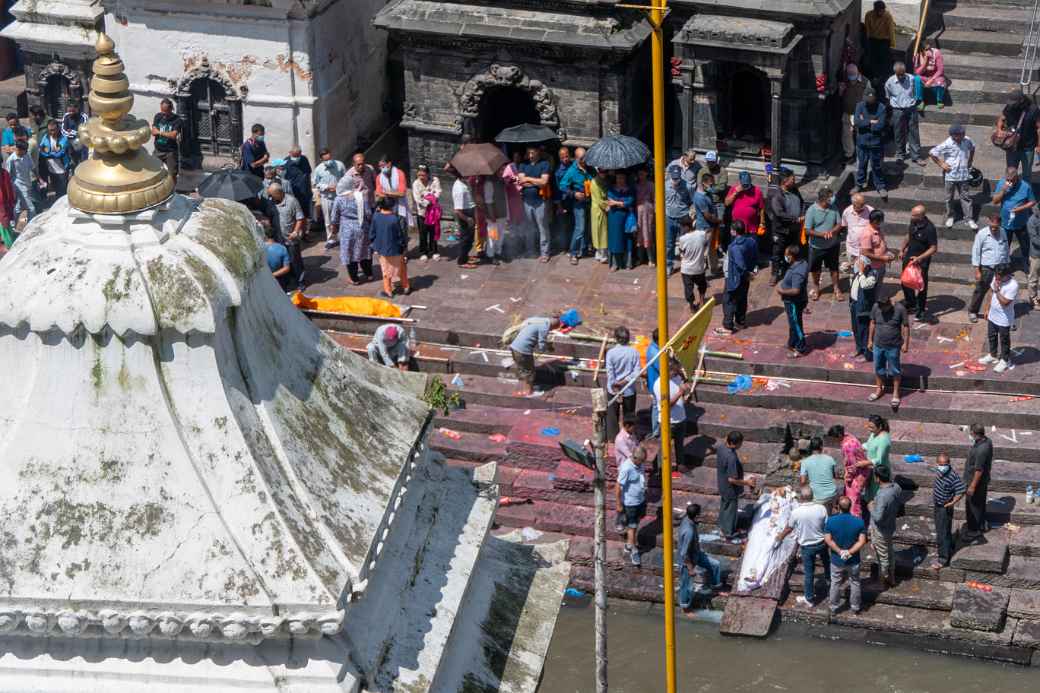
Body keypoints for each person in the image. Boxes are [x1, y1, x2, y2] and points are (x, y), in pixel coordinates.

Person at [775, 486, 829, 607]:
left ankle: (809, 599)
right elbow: (826, 525)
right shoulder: (821, 508)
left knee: (809, 573)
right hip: (822, 543)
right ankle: (830, 582)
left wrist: (780, 536)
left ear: (801, 497)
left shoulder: (796, 512)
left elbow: (789, 528)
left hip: (807, 546)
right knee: (826, 563)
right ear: (812, 496)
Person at [929, 123, 976, 230]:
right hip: (950, 176)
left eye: (963, 133)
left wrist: (970, 160)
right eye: (961, 134)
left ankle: (969, 218)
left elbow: (973, 147)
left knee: (966, 197)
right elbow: (932, 152)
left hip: (963, 174)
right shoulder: (947, 143)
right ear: (954, 135)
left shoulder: (967, 140)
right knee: (949, 197)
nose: (963, 135)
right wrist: (942, 164)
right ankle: (950, 216)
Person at [825, 495, 867, 615]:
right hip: (853, 560)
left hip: (836, 559)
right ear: (850, 507)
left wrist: (840, 552)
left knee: (835, 582)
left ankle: (833, 607)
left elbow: (828, 540)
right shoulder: (859, 521)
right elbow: (862, 541)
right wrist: (849, 552)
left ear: (838, 507)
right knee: (855, 582)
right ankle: (855, 607)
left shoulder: (831, 521)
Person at [868, 293, 909, 408]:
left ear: (889, 302)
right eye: (880, 306)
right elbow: (872, 323)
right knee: (878, 367)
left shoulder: (900, 309)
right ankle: (878, 389)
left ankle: (896, 393)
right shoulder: (876, 307)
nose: (882, 309)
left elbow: (906, 326)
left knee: (895, 370)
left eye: (883, 306)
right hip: (878, 344)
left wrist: (906, 343)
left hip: (893, 345)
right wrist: (870, 340)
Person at [716, 220, 757, 335]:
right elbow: (754, 257)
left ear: (734, 231)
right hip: (745, 277)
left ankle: (728, 326)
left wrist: (747, 273)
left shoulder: (734, 247)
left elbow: (740, 264)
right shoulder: (751, 241)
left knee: (728, 300)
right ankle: (740, 321)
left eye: (731, 229)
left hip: (735, 277)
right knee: (742, 299)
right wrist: (751, 271)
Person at [330, 176, 373, 285]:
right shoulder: (361, 196)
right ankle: (369, 274)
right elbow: (368, 213)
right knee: (364, 251)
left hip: (347, 231)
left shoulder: (339, 199)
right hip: (362, 227)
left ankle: (354, 279)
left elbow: (334, 218)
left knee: (350, 253)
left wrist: (333, 230)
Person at [679, 503, 723, 607]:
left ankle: (714, 587)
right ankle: (685, 606)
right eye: (700, 514)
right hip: (688, 560)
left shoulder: (688, 517)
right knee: (686, 585)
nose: (702, 516)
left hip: (696, 553)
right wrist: (690, 569)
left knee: (715, 564)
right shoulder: (689, 532)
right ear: (696, 516)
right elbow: (684, 554)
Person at [993, 165, 1036, 269]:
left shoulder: (1025, 186)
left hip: (1021, 223)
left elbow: (1032, 202)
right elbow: (995, 201)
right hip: (1005, 223)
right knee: (1004, 245)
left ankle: (1026, 263)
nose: (1010, 182)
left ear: (1017, 177)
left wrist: (1020, 209)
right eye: (1008, 180)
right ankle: (1004, 265)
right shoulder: (1002, 184)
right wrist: (1003, 190)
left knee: (1025, 245)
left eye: (1012, 180)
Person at [968, 217, 1011, 323]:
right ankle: (973, 311)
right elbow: (976, 252)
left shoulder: (1003, 232)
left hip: (1000, 268)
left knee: (998, 290)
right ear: (989, 223)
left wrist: (1007, 265)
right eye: (992, 227)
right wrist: (977, 270)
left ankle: (994, 312)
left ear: (1000, 224)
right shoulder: (982, 234)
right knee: (980, 290)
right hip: (987, 268)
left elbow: (1005, 249)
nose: (994, 229)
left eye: (996, 227)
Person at [900, 205, 938, 320]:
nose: (911, 217)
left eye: (914, 215)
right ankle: (910, 302)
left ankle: (921, 309)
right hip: (909, 256)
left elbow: (933, 248)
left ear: (921, 216)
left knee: (921, 285)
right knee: (905, 280)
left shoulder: (930, 228)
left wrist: (920, 258)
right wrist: (902, 249)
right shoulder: (913, 222)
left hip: (921, 261)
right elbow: (909, 235)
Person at [805, 186, 843, 302]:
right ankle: (816, 288)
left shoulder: (834, 208)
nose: (833, 199)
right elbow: (807, 230)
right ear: (824, 199)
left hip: (832, 245)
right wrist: (822, 235)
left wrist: (832, 231)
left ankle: (836, 288)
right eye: (830, 197)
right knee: (816, 269)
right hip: (817, 247)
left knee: (834, 268)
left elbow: (839, 224)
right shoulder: (812, 210)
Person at [995, 87, 1040, 183]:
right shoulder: (1009, 107)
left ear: (1021, 100)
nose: (1011, 104)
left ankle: (1026, 194)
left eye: (1013, 102)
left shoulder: (1033, 110)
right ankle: (1010, 194)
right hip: (1012, 146)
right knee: (1010, 172)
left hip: (1028, 147)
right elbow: (1002, 118)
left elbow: (1039, 128)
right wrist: (999, 129)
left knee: (1027, 174)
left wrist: (1039, 146)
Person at [979, 264, 1018, 373]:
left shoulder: (1013, 285)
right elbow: (990, 293)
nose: (996, 278)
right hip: (993, 315)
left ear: (1006, 275)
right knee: (991, 336)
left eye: (999, 276)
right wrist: (987, 309)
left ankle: (1005, 360)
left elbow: (1005, 302)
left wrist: (997, 290)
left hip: (1004, 319)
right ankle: (993, 355)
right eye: (996, 275)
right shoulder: (996, 278)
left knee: (1004, 340)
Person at [509, 314, 561, 396]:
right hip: (523, 350)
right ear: (553, 326)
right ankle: (528, 391)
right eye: (552, 329)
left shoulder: (538, 320)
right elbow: (541, 344)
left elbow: (527, 323)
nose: (550, 330)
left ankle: (524, 385)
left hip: (514, 346)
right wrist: (547, 348)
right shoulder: (545, 327)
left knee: (522, 368)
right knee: (529, 371)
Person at [766, 169, 803, 284]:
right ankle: (775, 273)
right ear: (785, 181)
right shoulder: (777, 195)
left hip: (794, 229)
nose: (795, 181)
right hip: (781, 230)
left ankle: (789, 270)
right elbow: (779, 213)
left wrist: (802, 214)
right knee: (777, 252)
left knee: (792, 251)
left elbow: (801, 203)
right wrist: (795, 218)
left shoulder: (795, 190)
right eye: (793, 179)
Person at [717, 431, 754, 543]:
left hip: (722, 484)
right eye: (740, 443)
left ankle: (722, 528)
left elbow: (726, 437)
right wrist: (747, 483)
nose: (741, 445)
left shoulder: (721, 447)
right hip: (730, 489)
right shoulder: (731, 457)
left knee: (725, 506)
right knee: (730, 511)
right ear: (735, 443)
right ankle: (728, 533)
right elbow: (732, 479)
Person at [369, 196, 410, 298]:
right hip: (396, 249)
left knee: (385, 271)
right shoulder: (394, 219)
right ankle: (406, 286)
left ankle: (388, 291)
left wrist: (374, 244)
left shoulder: (376, 216)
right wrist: (403, 246)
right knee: (402, 268)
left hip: (382, 249)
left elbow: (372, 234)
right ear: (392, 206)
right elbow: (400, 236)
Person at [654, 358, 690, 472]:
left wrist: (685, 397)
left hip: (680, 418)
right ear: (667, 370)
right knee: (664, 447)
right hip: (668, 421)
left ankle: (681, 464)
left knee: (680, 444)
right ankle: (661, 469)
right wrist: (680, 392)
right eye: (674, 370)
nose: (676, 372)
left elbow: (681, 395)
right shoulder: (659, 384)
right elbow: (667, 404)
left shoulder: (677, 378)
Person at [605, 326, 641, 440]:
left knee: (612, 416)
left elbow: (610, 373)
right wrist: (623, 382)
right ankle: (628, 436)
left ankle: (612, 438)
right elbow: (636, 372)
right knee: (629, 415)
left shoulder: (611, 353)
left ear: (616, 338)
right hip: (628, 390)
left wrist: (616, 385)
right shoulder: (634, 352)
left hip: (613, 389)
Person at [885, 62, 924, 165]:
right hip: (897, 110)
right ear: (895, 73)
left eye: (903, 73)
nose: (901, 76)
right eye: (899, 74)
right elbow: (888, 96)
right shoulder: (890, 82)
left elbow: (916, 92)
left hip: (911, 108)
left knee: (913, 132)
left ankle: (916, 155)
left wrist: (915, 102)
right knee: (898, 133)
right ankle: (900, 155)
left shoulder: (911, 79)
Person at [615, 445, 648, 567]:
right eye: (642, 460)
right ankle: (633, 549)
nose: (643, 463)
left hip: (640, 499)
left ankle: (629, 543)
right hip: (630, 503)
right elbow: (618, 486)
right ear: (635, 458)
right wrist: (618, 504)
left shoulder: (640, 464)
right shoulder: (626, 468)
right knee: (633, 526)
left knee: (635, 523)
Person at [932, 453, 966, 569]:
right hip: (938, 505)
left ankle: (943, 559)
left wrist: (952, 502)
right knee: (943, 529)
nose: (942, 466)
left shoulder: (952, 475)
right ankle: (948, 547)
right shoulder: (939, 471)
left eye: (945, 464)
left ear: (949, 464)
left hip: (944, 507)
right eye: (940, 464)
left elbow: (961, 490)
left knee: (942, 532)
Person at [268, 183, 306, 288]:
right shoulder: (271, 202)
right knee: (284, 261)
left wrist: (295, 231)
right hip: (278, 237)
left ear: (279, 193)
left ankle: (300, 281)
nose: (271, 197)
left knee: (295, 260)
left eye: (272, 195)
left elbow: (300, 218)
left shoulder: (292, 201)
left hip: (291, 237)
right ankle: (288, 281)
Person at [560, 147, 593, 265]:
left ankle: (583, 250)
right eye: (582, 158)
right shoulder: (572, 171)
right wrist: (574, 193)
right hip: (578, 203)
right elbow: (562, 186)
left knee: (587, 228)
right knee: (580, 228)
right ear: (577, 158)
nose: (584, 160)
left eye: (585, 157)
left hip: (590, 201)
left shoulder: (590, 168)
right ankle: (573, 253)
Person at [830, 424, 872, 518]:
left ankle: (855, 522)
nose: (833, 441)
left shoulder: (847, 446)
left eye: (833, 438)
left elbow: (852, 466)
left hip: (858, 475)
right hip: (863, 470)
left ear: (838, 436)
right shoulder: (849, 436)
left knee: (853, 501)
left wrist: (847, 478)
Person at [517, 146, 551, 261]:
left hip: (540, 201)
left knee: (542, 227)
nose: (530, 155)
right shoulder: (523, 165)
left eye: (533, 152)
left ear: (538, 152)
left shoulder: (544, 164)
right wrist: (536, 181)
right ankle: (530, 251)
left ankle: (544, 253)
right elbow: (521, 181)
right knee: (529, 227)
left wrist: (528, 179)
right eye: (529, 153)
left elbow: (544, 182)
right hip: (526, 201)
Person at [870, 465, 901, 587]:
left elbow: (877, 517)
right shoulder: (896, 488)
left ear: (877, 478)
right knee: (890, 553)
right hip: (890, 526)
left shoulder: (882, 495)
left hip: (880, 530)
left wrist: (871, 507)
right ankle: (892, 577)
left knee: (882, 557)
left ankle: (883, 580)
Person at [853, 90, 888, 200]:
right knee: (861, 164)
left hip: (875, 142)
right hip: (862, 142)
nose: (869, 103)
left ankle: (880, 186)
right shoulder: (859, 105)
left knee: (876, 165)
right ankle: (859, 184)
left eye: (871, 100)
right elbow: (857, 122)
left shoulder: (881, 107)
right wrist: (871, 122)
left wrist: (865, 123)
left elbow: (880, 126)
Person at [776, 245, 809, 357]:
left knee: (796, 324)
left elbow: (796, 290)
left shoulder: (797, 271)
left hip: (794, 302)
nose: (785, 256)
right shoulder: (801, 263)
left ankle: (800, 347)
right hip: (791, 301)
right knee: (792, 322)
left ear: (792, 256)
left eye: (787, 255)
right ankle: (792, 342)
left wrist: (781, 291)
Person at [962, 423, 993, 542]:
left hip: (975, 482)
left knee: (972, 506)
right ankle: (981, 524)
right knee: (979, 504)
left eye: (971, 432)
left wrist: (972, 486)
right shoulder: (987, 441)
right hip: (983, 480)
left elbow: (979, 470)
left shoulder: (981, 450)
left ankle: (973, 531)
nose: (970, 434)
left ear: (974, 434)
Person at [311, 148, 347, 246]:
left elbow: (346, 178)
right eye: (325, 160)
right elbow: (315, 183)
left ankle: (342, 237)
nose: (328, 161)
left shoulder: (340, 165)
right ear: (321, 160)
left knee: (341, 216)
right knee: (328, 219)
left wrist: (339, 186)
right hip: (326, 197)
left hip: (339, 196)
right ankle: (331, 238)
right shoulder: (318, 169)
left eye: (329, 158)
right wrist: (326, 187)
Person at [698, 151, 727, 263]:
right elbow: (700, 185)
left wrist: (711, 188)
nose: (710, 164)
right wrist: (713, 188)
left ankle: (717, 246)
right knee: (707, 226)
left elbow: (722, 187)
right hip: (706, 201)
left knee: (719, 226)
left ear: (716, 161)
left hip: (718, 203)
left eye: (712, 161)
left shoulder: (722, 171)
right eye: (708, 161)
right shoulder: (702, 171)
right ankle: (707, 249)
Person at [664, 164, 693, 276]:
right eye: (674, 178)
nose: (676, 181)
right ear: (670, 176)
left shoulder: (688, 186)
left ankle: (686, 266)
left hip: (683, 217)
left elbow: (692, 200)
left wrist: (691, 213)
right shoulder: (664, 186)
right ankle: (669, 265)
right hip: (669, 217)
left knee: (685, 243)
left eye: (678, 178)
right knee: (669, 244)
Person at [848, 255, 879, 361]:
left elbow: (865, 285)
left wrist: (861, 272)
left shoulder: (872, 275)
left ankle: (868, 354)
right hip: (854, 304)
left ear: (865, 266)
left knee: (864, 330)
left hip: (864, 307)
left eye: (860, 264)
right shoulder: (858, 273)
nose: (857, 265)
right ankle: (859, 348)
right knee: (855, 328)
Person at [799, 437, 840, 512]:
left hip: (817, 496)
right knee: (828, 513)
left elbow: (803, 481)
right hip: (831, 494)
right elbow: (835, 475)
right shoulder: (830, 459)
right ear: (821, 446)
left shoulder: (805, 462)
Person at [677, 216, 709, 313]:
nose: (681, 229)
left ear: (685, 226)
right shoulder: (702, 234)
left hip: (687, 269)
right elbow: (706, 241)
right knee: (702, 285)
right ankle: (702, 301)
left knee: (688, 289)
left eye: (682, 227)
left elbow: (681, 252)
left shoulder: (682, 239)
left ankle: (692, 306)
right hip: (699, 268)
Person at [693, 171, 721, 274]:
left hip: (711, 226)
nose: (712, 186)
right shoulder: (700, 197)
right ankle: (701, 275)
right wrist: (718, 221)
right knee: (703, 252)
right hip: (705, 227)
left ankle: (714, 268)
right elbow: (707, 215)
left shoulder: (707, 193)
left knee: (712, 249)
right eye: (710, 184)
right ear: (704, 183)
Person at [606, 172, 636, 270]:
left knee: (628, 240)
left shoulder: (630, 189)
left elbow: (630, 201)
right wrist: (622, 203)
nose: (620, 180)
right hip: (614, 218)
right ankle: (615, 264)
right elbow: (610, 201)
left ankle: (628, 263)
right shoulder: (611, 189)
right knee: (615, 241)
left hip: (627, 218)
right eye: (618, 178)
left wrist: (616, 202)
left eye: (622, 178)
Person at [412, 163, 442, 260]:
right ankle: (423, 252)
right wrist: (430, 199)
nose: (421, 177)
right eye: (419, 175)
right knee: (423, 233)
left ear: (428, 174)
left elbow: (438, 191)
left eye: (423, 175)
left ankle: (434, 251)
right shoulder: (416, 184)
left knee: (434, 231)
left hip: (433, 212)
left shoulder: (435, 180)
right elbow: (418, 199)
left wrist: (430, 197)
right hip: (422, 213)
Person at [725, 171, 764, 242]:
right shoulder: (734, 189)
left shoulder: (757, 191)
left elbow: (761, 208)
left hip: (751, 228)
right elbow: (727, 203)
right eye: (744, 185)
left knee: (750, 248)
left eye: (747, 184)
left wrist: (762, 223)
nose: (746, 187)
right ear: (740, 182)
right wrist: (736, 193)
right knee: (735, 247)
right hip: (736, 227)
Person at [840, 64, 868, 162]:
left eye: (853, 75)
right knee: (847, 135)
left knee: (861, 134)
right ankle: (849, 154)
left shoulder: (865, 81)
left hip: (860, 113)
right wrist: (841, 90)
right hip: (848, 112)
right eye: (849, 75)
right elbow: (840, 95)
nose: (852, 79)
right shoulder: (845, 81)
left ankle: (862, 154)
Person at [150, 99, 182, 187]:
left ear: (171, 109)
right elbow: (153, 132)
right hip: (158, 150)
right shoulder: (158, 116)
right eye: (162, 111)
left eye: (165, 112)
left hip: (170, 152)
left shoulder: (177, 120)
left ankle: (173, 190)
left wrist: (160, 132)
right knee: (153, 171)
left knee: (172, 174)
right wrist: (165, 133)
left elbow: (173, 135)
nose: (163, 114)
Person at [375, 154, 410, 233]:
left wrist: (386, 193)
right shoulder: (379, 177)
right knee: (390, 232)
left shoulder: (399, 173)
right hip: (387, 209)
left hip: (400, 207)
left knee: (401, 231)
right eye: (380, 166)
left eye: (383, 166)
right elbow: (378, 193)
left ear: (389, 164)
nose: (381, 168)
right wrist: (393, 194)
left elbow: (402, 193)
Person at [38, 120, 71, 199]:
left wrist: (48, 154)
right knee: (56, 189)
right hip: (51, 169)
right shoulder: (46, 137)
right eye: (50, 130)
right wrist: (51, 153)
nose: (52, 132)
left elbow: (60, 153)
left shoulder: (64, 139)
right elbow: (41, 150)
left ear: (58, 129)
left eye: (54, 130)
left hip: (62, 169)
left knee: (63, 191)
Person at [5, 140, 37, 223]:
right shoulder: (11, 160)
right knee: (31, 209)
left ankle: (14, 222)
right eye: (24, 150)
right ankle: (31, 226)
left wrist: (39, 179)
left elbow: (32, 167)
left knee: (18, 208)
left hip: (27, 185)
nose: (25, 152)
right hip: (18, 187)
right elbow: (7, 175)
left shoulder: (27, 155)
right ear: (18, 149)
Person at [864, 2, 896, 84]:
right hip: (873, 40)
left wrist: (892, 45)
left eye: (882, 11)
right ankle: (875, 76)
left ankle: (884, 77)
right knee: (873, 59)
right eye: (878, 11)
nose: (880, 13)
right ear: (874, 10)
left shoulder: (887, 16)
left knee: (884, 59)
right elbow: (867, 29)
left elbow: (891, 31)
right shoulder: (868, 15)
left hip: (884, 41)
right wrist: (867, 41)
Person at [451, 170, 478, 269]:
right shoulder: (459, 188)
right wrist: (468, 219)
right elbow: (457, 210)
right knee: (465, 239)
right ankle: (462, 261)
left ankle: (465, 256)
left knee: (469, 238)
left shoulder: (463, 183)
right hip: (465, 215)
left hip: (469, 212)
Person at [863, 415, 892, 507]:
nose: (869, 429)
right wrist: (857, 448)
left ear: (880, 427)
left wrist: (864, 463)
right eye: (869, 426)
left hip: (879, 470)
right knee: (869, 489)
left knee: (876, 491)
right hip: (871, 467)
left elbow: (879, 459)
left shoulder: (884, 439)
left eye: (872, 427)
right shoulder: (874, 433)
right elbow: (868, 444)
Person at [283, 145, 313, 230]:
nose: (296, 158)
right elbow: (284, 179)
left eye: (297, 155)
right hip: (293, 193)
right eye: (294, 156)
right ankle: (295, 233)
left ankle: (304, 233)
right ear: (290, 153)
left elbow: (308, 174)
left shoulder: (304, 159)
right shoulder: (286, 162)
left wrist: (310, 188)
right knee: (295, 214)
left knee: (305, 214)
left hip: (305, 191)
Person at [861, 209, 894, 283]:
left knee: (878, 286)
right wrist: (883, 258)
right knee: (871, 289)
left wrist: (888, 253)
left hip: (881, 265)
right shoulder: (867, 233)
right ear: (875, 221)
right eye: (881, 221)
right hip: (872, 267)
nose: (882, 222)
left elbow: (882, 244)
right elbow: (865, 253)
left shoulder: (878, 229)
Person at [840, 193, 873, 264]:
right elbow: (845, 225)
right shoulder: (847, 211)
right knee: (854, 269)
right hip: (852, 249)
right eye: (861, 205)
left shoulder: (871, 211)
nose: (863, 206)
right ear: (854, 204)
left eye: (864, 203)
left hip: (866, 250)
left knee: (864, 271)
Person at [913, 39, 946, 110]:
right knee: (916, 78)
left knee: (940, 82)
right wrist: (925, 62)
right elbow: (916, 72)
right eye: (926, 49)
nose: (929, 51)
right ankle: (920, 101)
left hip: (936, 76)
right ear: (922, 50)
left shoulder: (937, 53)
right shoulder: (918, 56)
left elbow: (940, 70)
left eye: (930, 48)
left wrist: (931, 80)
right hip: (924, 77)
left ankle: (939, 100)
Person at [553, 146, 573, 254]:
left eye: (567, 156)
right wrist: (559, 206)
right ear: (559, 158)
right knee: (563, 226)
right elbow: (556, 190)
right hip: (563, 201)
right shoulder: (557, 172)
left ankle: (572, 246)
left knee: (573, 224)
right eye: (563, 157)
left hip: (573, 200)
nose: (565, 159)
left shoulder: (574, 166)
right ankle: (564, 247)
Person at [634, 167, 655, 266]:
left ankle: (651, 259)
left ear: (646, 174)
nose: (641, 176)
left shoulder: (651, 185)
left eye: (642, 174)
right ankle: (640, 258)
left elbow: (654, 199)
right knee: (639, 235)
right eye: (639, 174)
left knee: (648, 234)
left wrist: (654, 212)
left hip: (648, 213)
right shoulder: (635, 185)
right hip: (638, 213)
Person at [590, 168, 610, 263]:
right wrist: (608, 206)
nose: (604, 173)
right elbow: (599, 200)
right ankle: (601, 254)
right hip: (598, 210)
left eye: (605, 171)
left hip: (601, 209)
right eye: (602, 171)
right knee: (600, 231)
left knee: (601, 231)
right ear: (598, 172)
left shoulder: (604, 181)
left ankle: (600, 253)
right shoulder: (594, 182)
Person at [263, 225, 292, 291]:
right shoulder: (282, 248)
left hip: (264, 281)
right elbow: (287, 268)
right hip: (279, 281)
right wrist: (272, 275)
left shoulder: (259, 249)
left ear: (264, 236)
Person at [646, 328, 662, 438]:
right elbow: (663, 369)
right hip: (656, 384)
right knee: (657, 407)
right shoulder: (655, 353)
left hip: (655, 382)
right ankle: (656, 430)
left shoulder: (653, 348)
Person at [1029, 205, 1040, 307]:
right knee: (1034, 278)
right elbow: (1034, 239)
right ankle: (1033, 298)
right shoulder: (1032, 220)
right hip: (1036, 255)